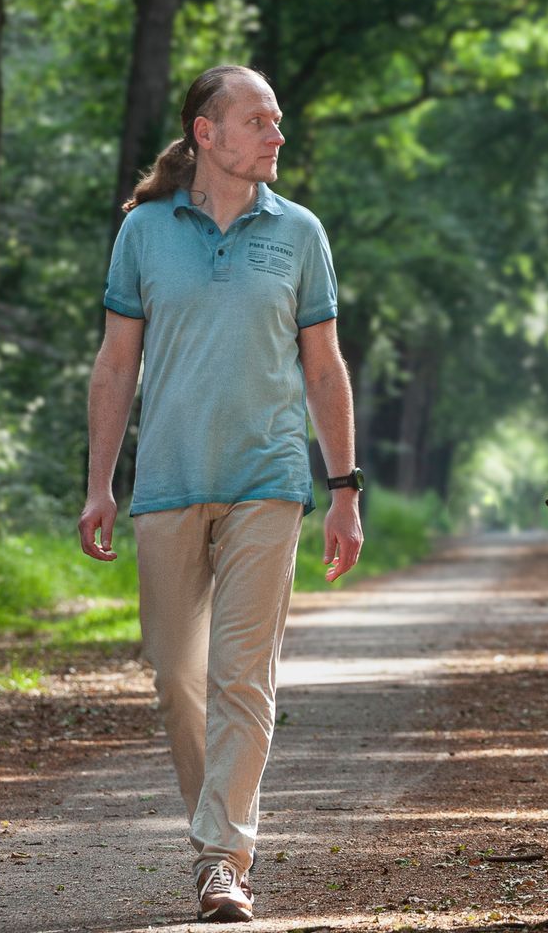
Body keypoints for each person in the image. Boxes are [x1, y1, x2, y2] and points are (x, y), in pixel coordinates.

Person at [79, 64, 366, 924]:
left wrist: (344, 488)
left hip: (268, 481)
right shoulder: (144, 232)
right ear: (207, 132)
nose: (279, 135)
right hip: (166, 481)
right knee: (177, 677)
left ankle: (221, 859)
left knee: (243, 675)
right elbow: (116, 362)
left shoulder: (300, 233)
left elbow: (324, 368)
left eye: (278, 122)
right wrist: (100, 484)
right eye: (260, 121)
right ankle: (219, 836)